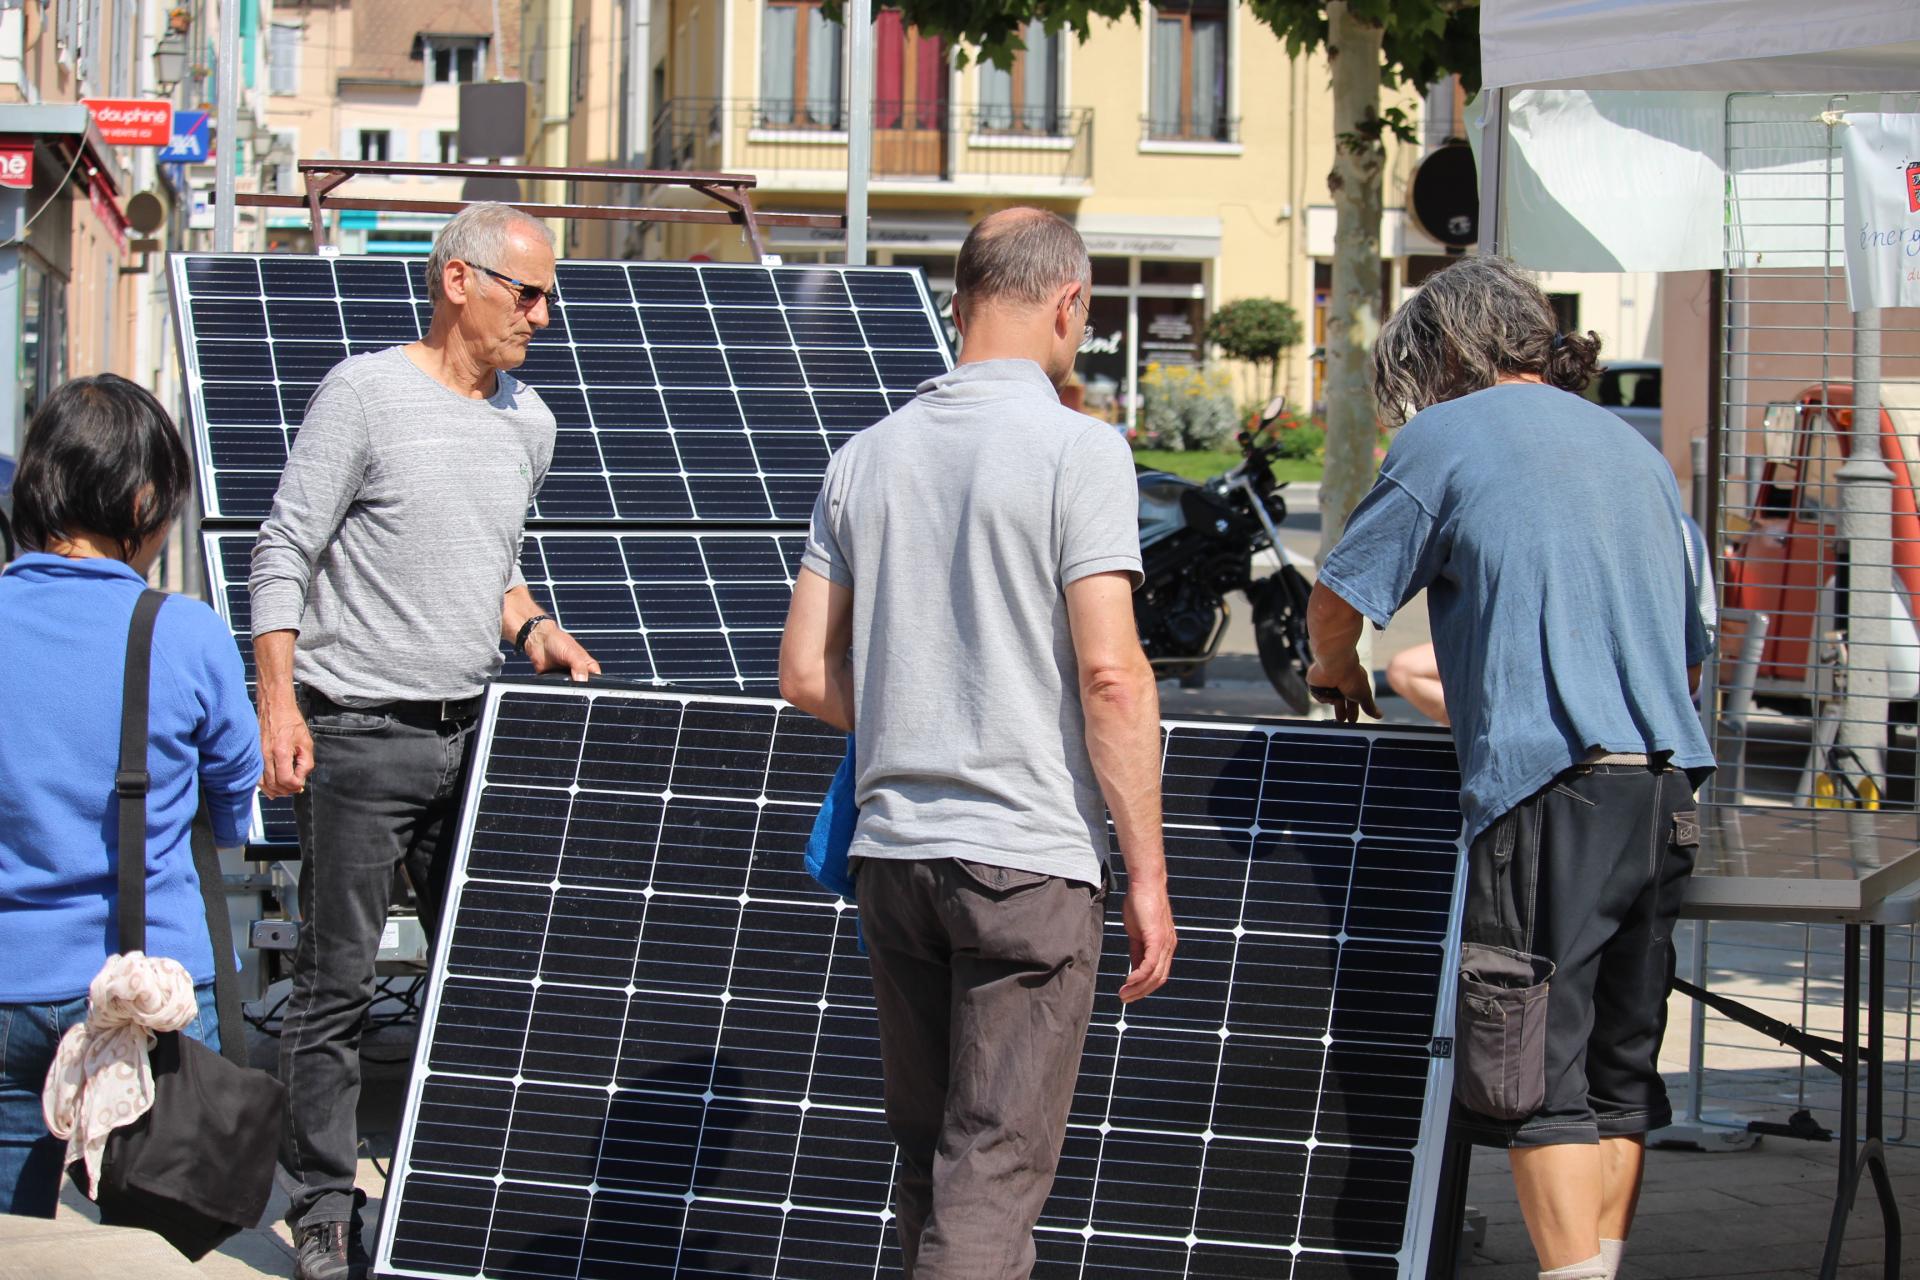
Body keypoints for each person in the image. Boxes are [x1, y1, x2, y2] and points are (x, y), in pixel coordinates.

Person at [779, 208, 1177, 1280]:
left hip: (895, 855)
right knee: (991, 1170)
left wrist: (926, 709)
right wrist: (1146, 870)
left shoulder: (864, 458)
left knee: (933, 1163)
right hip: (1028, 863)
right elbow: (1111, 674)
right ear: (1068, 306)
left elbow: (808, 672)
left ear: (958, 306)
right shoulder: (1081, 449)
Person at [1305, 256, 1713, 1280]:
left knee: (1536, 1082)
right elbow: (1693, 641)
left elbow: (1340, 589)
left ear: (1446, 350)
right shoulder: (1639, 453)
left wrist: (1336, 665)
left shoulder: (1444, 436)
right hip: (1664, 791)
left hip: (1550, 795)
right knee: (1620, 1078)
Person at [251, 202, 600, 1280]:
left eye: (549, 296)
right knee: (337, 982)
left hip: (472, 738)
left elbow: (485, 566)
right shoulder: (364, 393)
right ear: (459, 279)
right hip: (355, 734)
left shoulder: (530, 425)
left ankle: (444, 1176)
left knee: (479, 975)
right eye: (527, 292)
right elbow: (283, 550)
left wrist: (535, 626)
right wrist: (279, 703)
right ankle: (320, 1204)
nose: (544, 316)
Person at [0, 375, 261, 1216]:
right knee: (162, 1236)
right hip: (151, 987)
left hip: (5, 980)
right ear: (145, 498)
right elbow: (231, 801)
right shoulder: (181, 632)